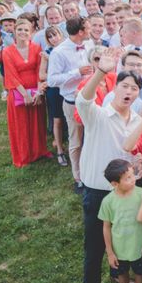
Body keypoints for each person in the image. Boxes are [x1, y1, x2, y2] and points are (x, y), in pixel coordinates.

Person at [73, 50, 142, 283]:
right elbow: (83, 100)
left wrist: (137, 165)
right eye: (125, 86)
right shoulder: (99, 115)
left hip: (125, 193)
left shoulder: (137, 121)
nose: (129, 91)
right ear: (115, 88)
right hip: (97, 193)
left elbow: (134, 156)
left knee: (124, 243)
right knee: (94, 249)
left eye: (135, 88)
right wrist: (101, 72)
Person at [98, 159, 142, 283]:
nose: (133, 179)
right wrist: (110, 252)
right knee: (122, 273)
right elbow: (106, 227)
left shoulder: (141, 194)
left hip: (138, 245)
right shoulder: (108, 201)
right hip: (119, 248)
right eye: (128, 178)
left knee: (140, 271)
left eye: (132, 175)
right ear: (115, 184)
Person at [47, 16, 93, 192]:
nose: (90, 31)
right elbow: (51, 80)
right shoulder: (59, 52)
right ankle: (78, 177)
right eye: (88, 28)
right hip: (73, 102)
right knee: (76, 141)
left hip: (92, 100)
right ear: (80, 32)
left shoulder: (89, 45)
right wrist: (76, 73)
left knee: (91, 138)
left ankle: (92, 171)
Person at [2, 18, 50, 168]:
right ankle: (23, 155)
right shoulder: (7, 51)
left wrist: (38, 93)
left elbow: (39, 71)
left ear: (31, 33)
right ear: (15, 32)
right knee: (21, 124)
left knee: (37, 122)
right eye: (19, 30)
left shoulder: (36, 48)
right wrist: (25, 95)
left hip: (36, 90)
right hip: (18, 92)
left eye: (26, 30)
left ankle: (39, 150)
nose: (23, 32)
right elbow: (11, 75)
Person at [38, 26, 68, 166]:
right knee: (57, 120)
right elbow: (41, 75)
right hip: (54, 90)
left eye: (55, 35)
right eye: (50, 37)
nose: (53, 38)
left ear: (61, 35)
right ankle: (60, 151)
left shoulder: (68, 49)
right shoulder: (46, 53)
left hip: (68, 88)